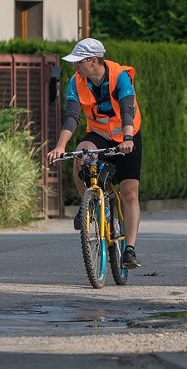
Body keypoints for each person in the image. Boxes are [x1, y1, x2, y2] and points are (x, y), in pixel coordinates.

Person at [45, 38, 143, 269]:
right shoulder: (76, 81)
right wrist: (60, 146)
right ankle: (87, 205)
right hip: (99, 133)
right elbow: (72, 116)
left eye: (78, 62)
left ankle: (129, 250)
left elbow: (127, 109)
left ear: (92, 60)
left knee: (129, 192)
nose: (74, 67)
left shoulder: (120, 76)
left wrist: (128, 139)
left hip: (127, 136)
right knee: (80, 156)